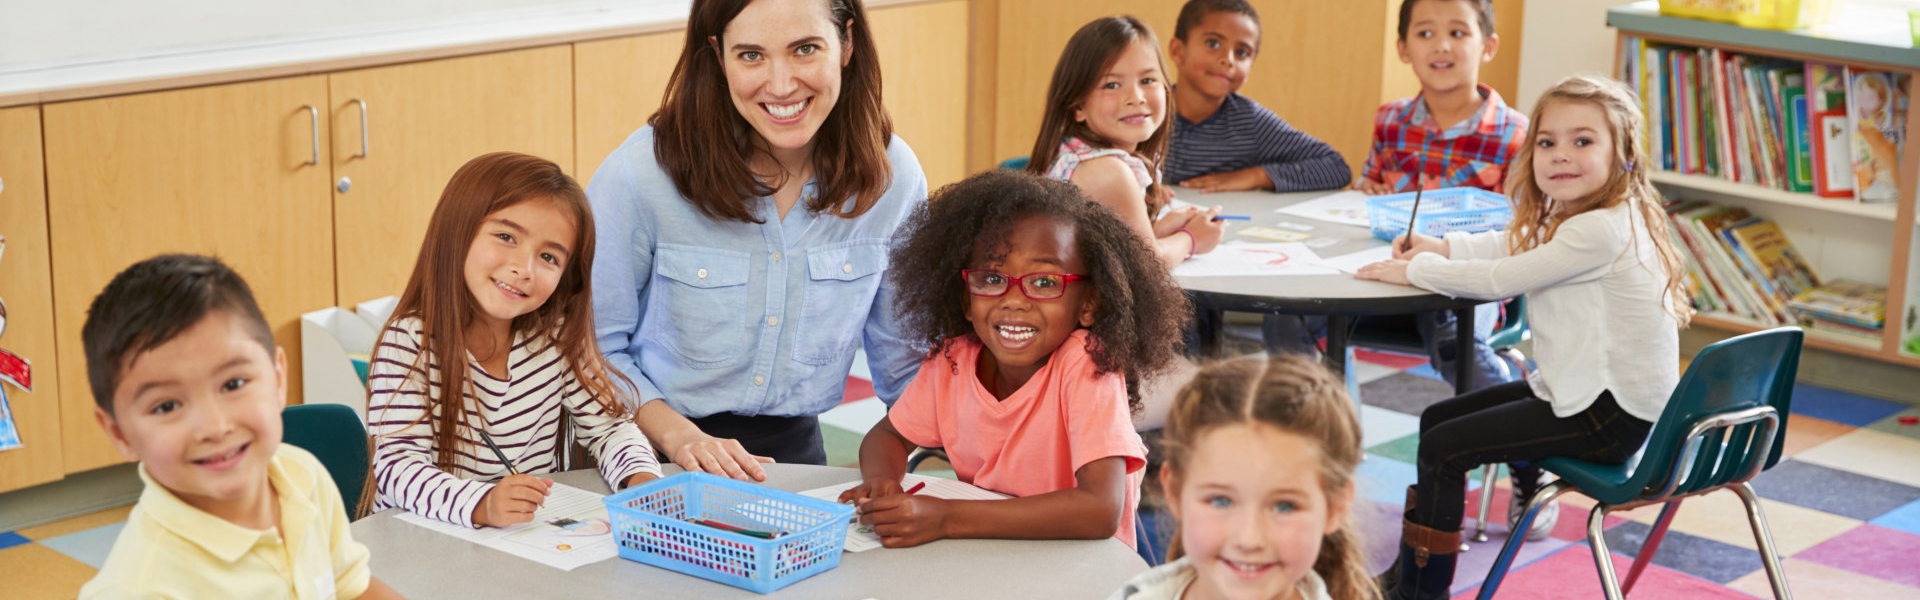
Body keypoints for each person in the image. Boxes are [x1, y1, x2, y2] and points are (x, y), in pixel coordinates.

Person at [1357, 75, 1693, 600]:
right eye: (1547, 142)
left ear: (1622, 152)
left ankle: (1421, 593)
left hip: (1608, 416)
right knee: (1436, 420)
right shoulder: (1585, 213)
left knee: (1446, 447)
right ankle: (1412, 575)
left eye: (1583, 141)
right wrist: (1441, 248)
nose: (1562, 155)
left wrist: (1416, 269)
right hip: (1589, 396)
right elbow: (1513, 243)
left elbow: (1503, 280)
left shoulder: (1598, 229)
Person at [590, 0, 930, 477]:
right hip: (647, 445)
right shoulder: (641, 173)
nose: (782, 84)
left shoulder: (895, 176)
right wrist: (678, 435)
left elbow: (906, 362)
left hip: (795, 454)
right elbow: (591, 345)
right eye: (751, 55)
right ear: (717, 54)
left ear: (847, 42)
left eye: (805, 49)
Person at [840, 171, 1189, 550]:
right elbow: (887, 436)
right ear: (965, 300)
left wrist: (945, 517)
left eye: (1044, 282)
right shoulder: (953, 361)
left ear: (1089, 304)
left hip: (1079, 568)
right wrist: (882, 481)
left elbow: (1100, 509)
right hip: (990, 551)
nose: (1014, 300)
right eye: (991, 279)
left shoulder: (1086, 364)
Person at [79, 254, 404, 599]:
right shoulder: (139, 588)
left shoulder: (302, 476)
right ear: (119, 433)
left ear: (278, 379)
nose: (215, 426)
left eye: (232, 385)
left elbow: (352, 588)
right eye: (167, 405)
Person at [366, 152, 662, 529]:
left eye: (550, 257)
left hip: (523, 548)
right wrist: (482, 503)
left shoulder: (554, 337)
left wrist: (643, 484)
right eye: (506, 237)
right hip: (425, 552)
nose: (524, 269)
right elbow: (397, 469)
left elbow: (611, 428)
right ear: (458, 230)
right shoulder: (410, 342)